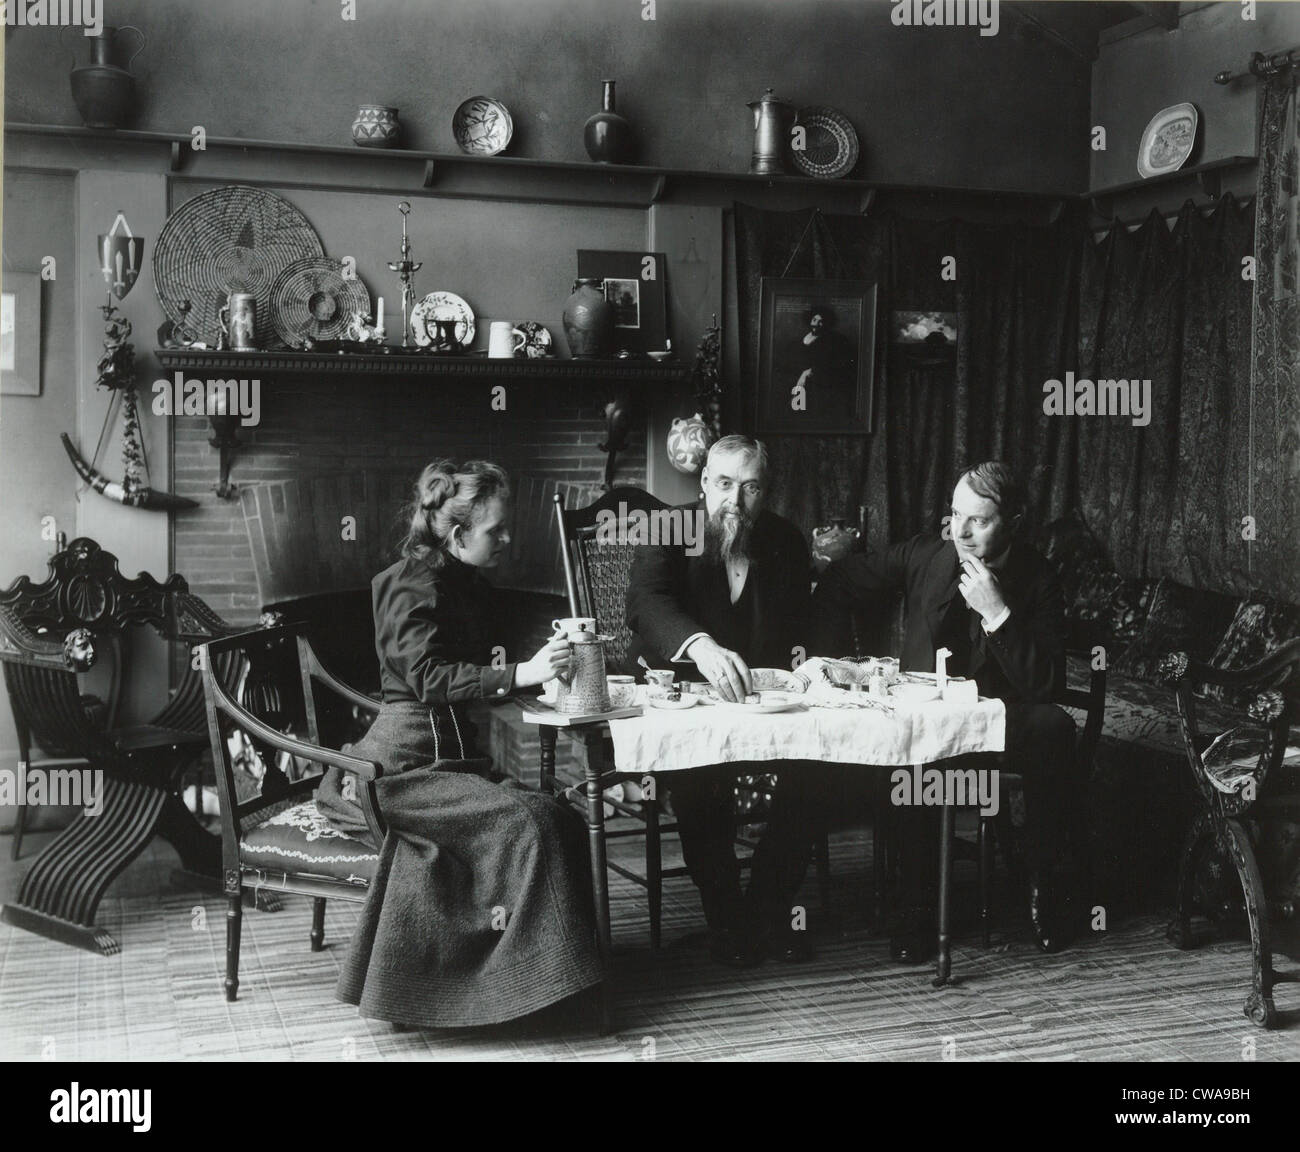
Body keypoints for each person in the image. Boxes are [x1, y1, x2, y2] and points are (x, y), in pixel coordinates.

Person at [314, 460, 603, 1028]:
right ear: (457, 534)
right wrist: (521, 673)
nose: (507, 538)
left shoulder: (463, 582)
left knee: (560, 816)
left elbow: (482, 667)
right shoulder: (408, 584)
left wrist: (546, 675)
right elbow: (428, 680)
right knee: (529, 824)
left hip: (451, 760)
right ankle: (496, 991)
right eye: (496, 530)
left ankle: (549, 980)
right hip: (397, 771)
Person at [812, 461, 1077, 959]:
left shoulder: (1038, 578)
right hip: (925, 726)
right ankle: (917, 912)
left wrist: (998, 612)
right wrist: (832, 661)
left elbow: (1046, 685)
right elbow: (840, 580)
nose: (961, 530)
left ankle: (1044, 895)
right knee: (912, 749)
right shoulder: (925, 554)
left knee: (1055, 727)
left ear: (1014, 521)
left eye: (979, 520)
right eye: (956, 515)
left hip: (994, 724)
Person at [625, 435, 822, 967]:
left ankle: (767, 906)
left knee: (817, 771)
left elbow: (799, 629)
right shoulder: (669, 525)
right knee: (698, 779)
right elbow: (645, 603)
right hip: (677, 696)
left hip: (758, 702)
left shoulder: (784, 539)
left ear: (766, 491)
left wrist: (809, 669)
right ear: (704, 482)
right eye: (725, 484)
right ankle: (727, 921)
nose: (735, 501)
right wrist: (702, 646)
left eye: (751, 487)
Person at [790, 304, 858, 425]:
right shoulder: (803, 339)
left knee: (817, 410)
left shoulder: (832, 340)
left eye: (821, 322)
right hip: (799, 378)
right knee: (798, 408)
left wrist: (810, 372)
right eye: (814, 320)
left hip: (821, 380)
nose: (816, 324)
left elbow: (833, 363)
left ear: (827, 324)